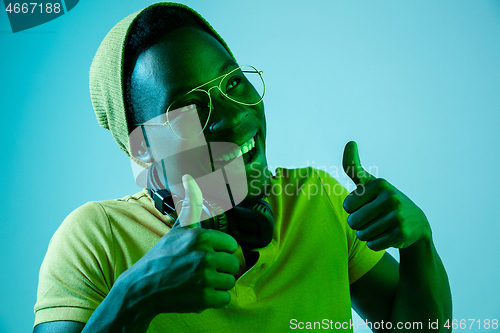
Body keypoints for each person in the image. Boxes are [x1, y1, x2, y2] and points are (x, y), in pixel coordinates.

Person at [33, 3, 452, 332]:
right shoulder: (95, 239)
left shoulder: (318, 201)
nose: (234, 118)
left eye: (234, 82)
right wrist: (137, 296)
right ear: (143, 151)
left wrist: (419, 244)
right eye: (189, 109)